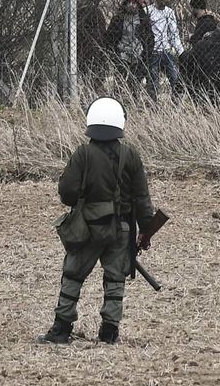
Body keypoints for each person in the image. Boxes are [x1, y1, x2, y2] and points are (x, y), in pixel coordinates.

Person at [40, 97, 156, 345]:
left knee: (72, 276)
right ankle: (110, 332)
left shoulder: (82, 154)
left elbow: (67, 192)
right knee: (115, 280)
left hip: (87, 229)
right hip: (122, 230)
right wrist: (145, 231)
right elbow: (142, 198)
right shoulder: (131, 155)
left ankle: (61, 329)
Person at [104, 0, 154, 97]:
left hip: (138, 55)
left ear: (138, 5)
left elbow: (150, 39)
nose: (131, 5)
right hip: (122, 54)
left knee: (134, 83)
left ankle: (132, 103)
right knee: (119, 82)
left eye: (134, 3)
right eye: (129, 2)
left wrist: (145, 55)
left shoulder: (143, 20)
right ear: (125, 4)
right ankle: (117, 101)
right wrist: (113, 53)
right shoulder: (118, 19)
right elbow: (110, 37)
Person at [145, 0, 185, 102]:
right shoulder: (148, 11)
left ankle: (176, 102)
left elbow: (174, 34)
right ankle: (153, 104)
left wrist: (181, 52)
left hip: (166, 50)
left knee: (175, 77)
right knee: (153, 80)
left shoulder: (169, 13)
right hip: (153, 51)